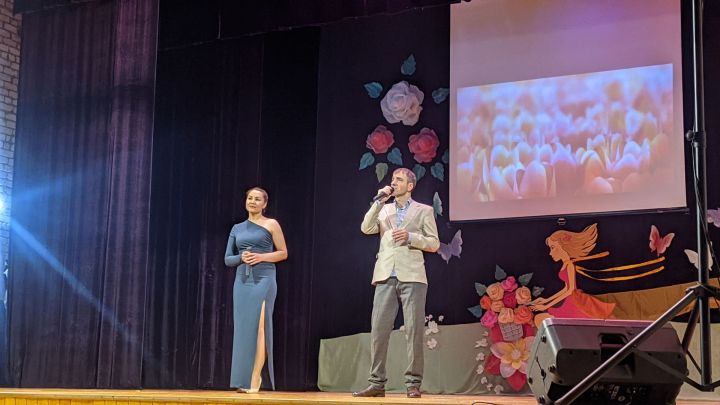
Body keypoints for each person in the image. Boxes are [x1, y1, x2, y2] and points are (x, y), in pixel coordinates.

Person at [353, 168, 439, 399]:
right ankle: (376, 382)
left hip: (412, 276)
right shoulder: (384, 209)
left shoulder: (424, 210)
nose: (394, 182)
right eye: (392, 179)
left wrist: (411, 237)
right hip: (385, 275)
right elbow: (366, 228)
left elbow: (434, 243)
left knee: (414, 330)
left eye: (399, 180)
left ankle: (413, 383)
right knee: (379, 330)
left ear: (410, 186)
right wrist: (379, 201)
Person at [224, 187, 288, 393]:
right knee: (243, 330)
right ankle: (242, 378)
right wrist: (241, 257)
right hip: (242, 281)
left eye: (257, 199)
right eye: (250, 198)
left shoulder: (271, 224)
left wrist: (261, 257)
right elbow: (228, 259)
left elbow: (283, 253)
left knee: (260, 328)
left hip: (264, 279)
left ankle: (254, 379)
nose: (252, 201)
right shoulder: (237, 228)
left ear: (264, 204)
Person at [529, 223, 615, 325]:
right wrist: (546, 300)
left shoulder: (570, 265)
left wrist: (546, 306)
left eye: (553, 247)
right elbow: (566, 288)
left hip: (575, 302)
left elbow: (570, 290)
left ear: (563, 246)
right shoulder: (565, 264)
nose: (550, 253)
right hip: (570, 300)